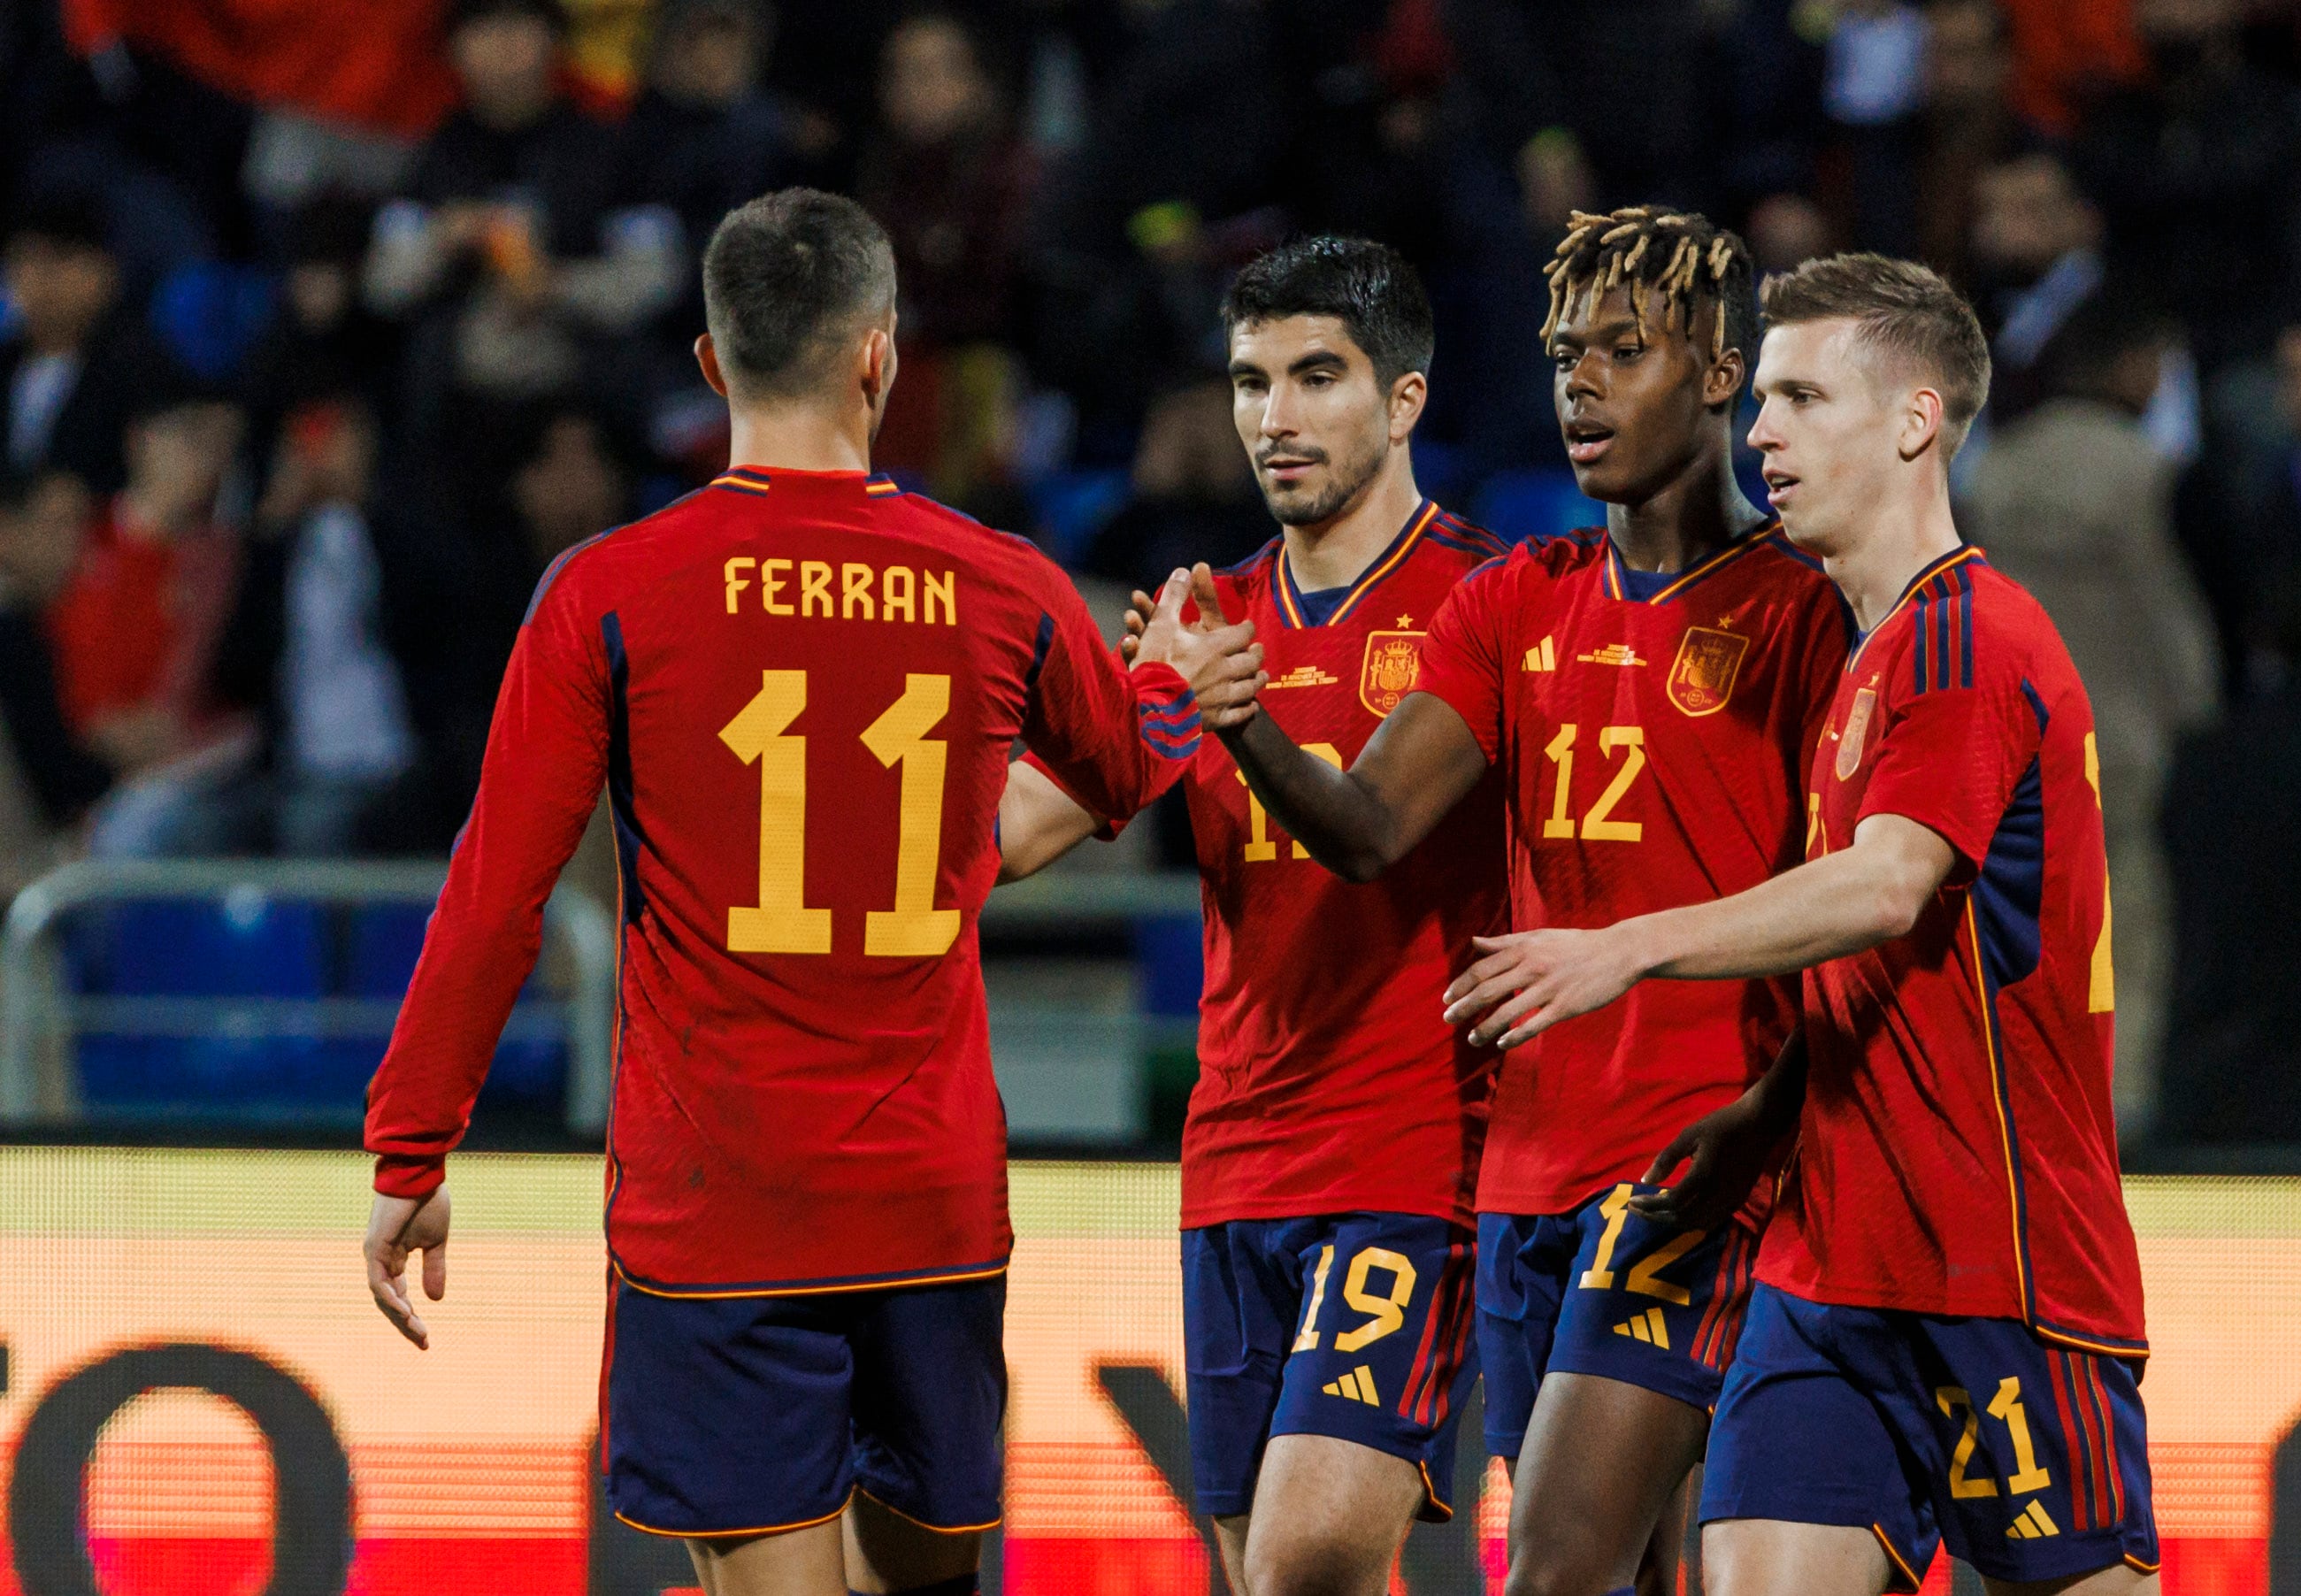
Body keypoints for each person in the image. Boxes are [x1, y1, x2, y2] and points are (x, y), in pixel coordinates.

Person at [358, 189, 1225, 1596]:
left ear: (710, 366)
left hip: (720, 1210)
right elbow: (1127, 771)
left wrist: (411, 1149)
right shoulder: (1002, 584)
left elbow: (497, 896)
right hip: (929, 1199)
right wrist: (1177, 691)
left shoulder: (607, 593)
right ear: (879, 357)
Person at [1442, 254, 2158, 1594]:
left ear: (1913, 421)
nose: (1759, 433)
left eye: (1801, 398)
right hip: (1824, 1275)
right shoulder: (1861, 651)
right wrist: (1764, 1110)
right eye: (1760, 398)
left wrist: (1622, 945)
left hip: (1997, 1271)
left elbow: (1886, 886)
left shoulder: (1966, 639)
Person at [1182, 207, 1852, 1596]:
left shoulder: (1804, 616)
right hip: (1521, 1176)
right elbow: (1365, 830)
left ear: (1721, 374)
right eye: (1562, 354)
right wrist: (1242, 719)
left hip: (1692, 1170)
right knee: (1627, 1572)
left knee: (1549, 1569)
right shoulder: (1512, 602)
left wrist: (1763, 1120)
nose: (1579, 384)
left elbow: (1862, 909)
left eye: (1623, 349)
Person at [998, 236, 1510, 1596]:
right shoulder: (1205, 615)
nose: (1273, 416)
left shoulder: (1490, 604)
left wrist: (1225, 704)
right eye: (1248, 381)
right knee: (1260, 1570)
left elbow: (1369, 831)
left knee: (1302, 1566)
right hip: (1235, 1153)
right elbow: (1009, 835)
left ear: (1401, 401)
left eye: (1315, 376)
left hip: (1415, 1153)